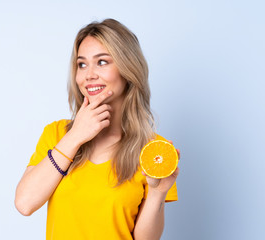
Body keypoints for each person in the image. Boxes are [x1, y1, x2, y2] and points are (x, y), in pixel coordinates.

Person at [15, 18, 180, 240]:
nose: (89, 74)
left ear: (127, 68)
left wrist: (158, 192)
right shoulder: (57, 134)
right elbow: (25, 203)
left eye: (102, 62)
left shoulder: (153, 151)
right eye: (82, 64)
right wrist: (75, 136)